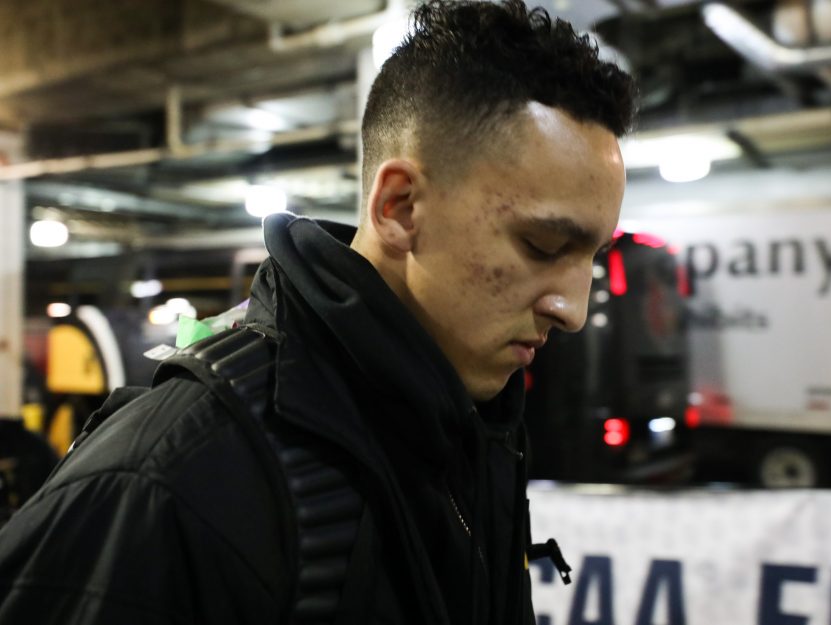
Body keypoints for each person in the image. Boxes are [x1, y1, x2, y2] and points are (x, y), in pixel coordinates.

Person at [0, 0, 635, 623]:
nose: (573, 310)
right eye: (543, 246)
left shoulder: (478, 432)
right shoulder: (171, 480)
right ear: (400, 208)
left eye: (594, 257)